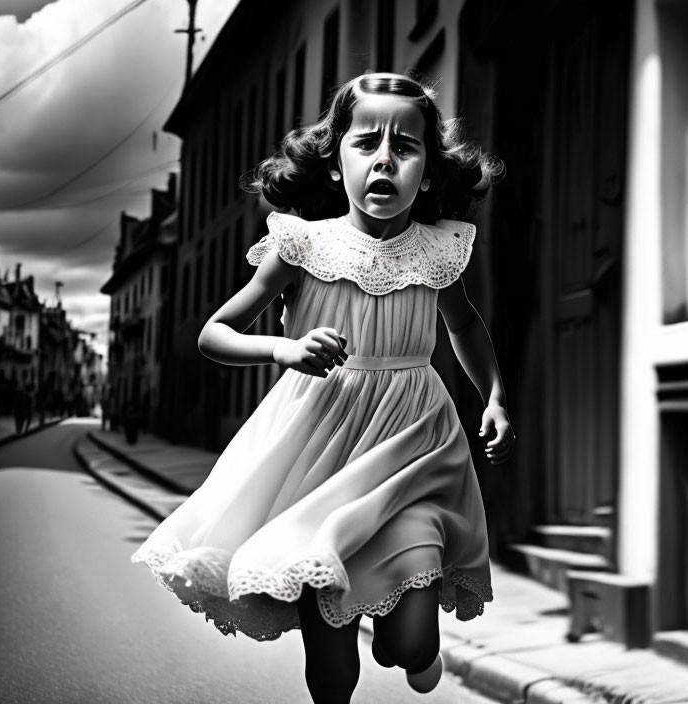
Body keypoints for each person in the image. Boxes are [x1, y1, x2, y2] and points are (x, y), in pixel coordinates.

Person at [131, 72, 515, 703]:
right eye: (366, 143)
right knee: (335, 670)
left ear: (427, 170)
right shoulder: (301, 244)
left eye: (406, 146)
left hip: (414, 444)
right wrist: (284, 348)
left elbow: (466, 327)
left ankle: (413, 648)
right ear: (337, 164)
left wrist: (494, 395)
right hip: (319, 456)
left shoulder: (439, 251)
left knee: (409, 643)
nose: (385, 158)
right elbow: (215, 334)